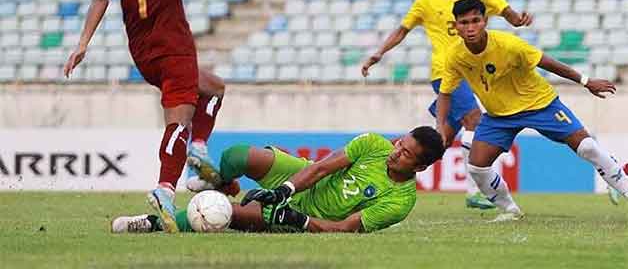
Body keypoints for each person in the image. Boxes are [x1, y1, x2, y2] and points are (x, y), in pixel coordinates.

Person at [63, 0, 227, 233]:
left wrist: (82, 43)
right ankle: (165, 190)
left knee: (213, 88)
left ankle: (198, 148)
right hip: (175, 46)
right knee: (179, 121)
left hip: (144, 54)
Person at [362, 0, 532, 209]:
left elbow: (508, 14)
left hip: (475, 72)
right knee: (475, 121)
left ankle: (384, 177)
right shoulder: (426, 1)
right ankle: (475, 191)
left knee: (438, 142)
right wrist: (379, 53)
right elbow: (403, 29)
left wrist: (520, 19)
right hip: (447, 73)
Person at [436, 0, 628, 221]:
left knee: (587, 147)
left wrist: (586, 81)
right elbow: (445, 93)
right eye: (464, 22)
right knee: (477, 168)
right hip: (498, 117)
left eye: (475, 20)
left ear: (485, 20)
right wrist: (440, 126)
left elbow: (547, 62)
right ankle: (511, 211)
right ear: (455, 25)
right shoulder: (454, 56)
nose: (470, 27)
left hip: (540, 105)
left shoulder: (509, 45)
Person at [112, 126, 445, 233]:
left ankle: (152, 223)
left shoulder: (401, 201)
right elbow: (321, 168)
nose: (395, 151)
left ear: (419, 168)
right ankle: (223, 181)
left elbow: (345, 229)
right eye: (400, 142)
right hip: (300, 176)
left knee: (218, 214)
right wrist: (284, 189)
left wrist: (297, 219)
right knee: (237, 156)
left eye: (405, 154)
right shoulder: (375, 143)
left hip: (308, 214)